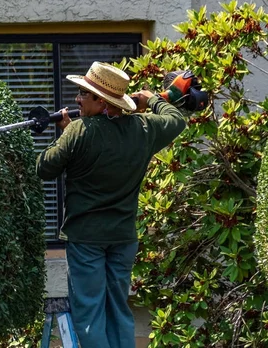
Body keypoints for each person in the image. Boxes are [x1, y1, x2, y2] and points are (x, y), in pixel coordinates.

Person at [36, 61, 186, 348]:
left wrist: (68, 134)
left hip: (87, 239)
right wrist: (151, 98)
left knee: (90, 313)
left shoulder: (79, 131)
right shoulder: (143, 128)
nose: (77, 99)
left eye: (83, 93)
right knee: (118, 309)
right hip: (123, 238)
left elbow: (45, 167)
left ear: (101, 100)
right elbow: (176, 120)